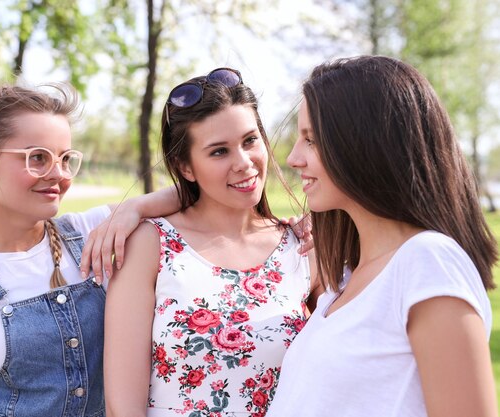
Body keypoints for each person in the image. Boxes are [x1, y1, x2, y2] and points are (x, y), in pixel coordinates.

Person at [0, 83, 180, 417]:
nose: (59, 175)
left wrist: (134, 208)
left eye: (65, 159)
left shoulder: (90, 231)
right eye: (38, 158)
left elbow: (191, 194)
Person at [267, 55, 498, 417]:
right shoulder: (343, 281)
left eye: (311, 140)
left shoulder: (427, 262)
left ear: (363, 143)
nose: (294, 158)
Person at [104, 67, 319, 417]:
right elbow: (121, 407)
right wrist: (137, 206)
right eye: (219, 152)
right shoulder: (150, 245)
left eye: (250, 140)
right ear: (185, 167)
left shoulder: (301, 246)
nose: (244, 163)